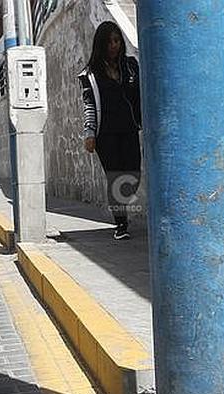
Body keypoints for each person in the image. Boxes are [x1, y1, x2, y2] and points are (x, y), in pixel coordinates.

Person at [78, 21, 142, 240]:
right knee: (115, 176)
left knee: (133, 173)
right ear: (101, 45)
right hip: (105, 134)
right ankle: (121, 224)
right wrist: (89, 133)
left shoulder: (131, 66)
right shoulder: (90, 74)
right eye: (109, 42)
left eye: (117, 41)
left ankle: (121, 208)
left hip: (129, 128)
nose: (114, 45)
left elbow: (141, 96)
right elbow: (88, 105)